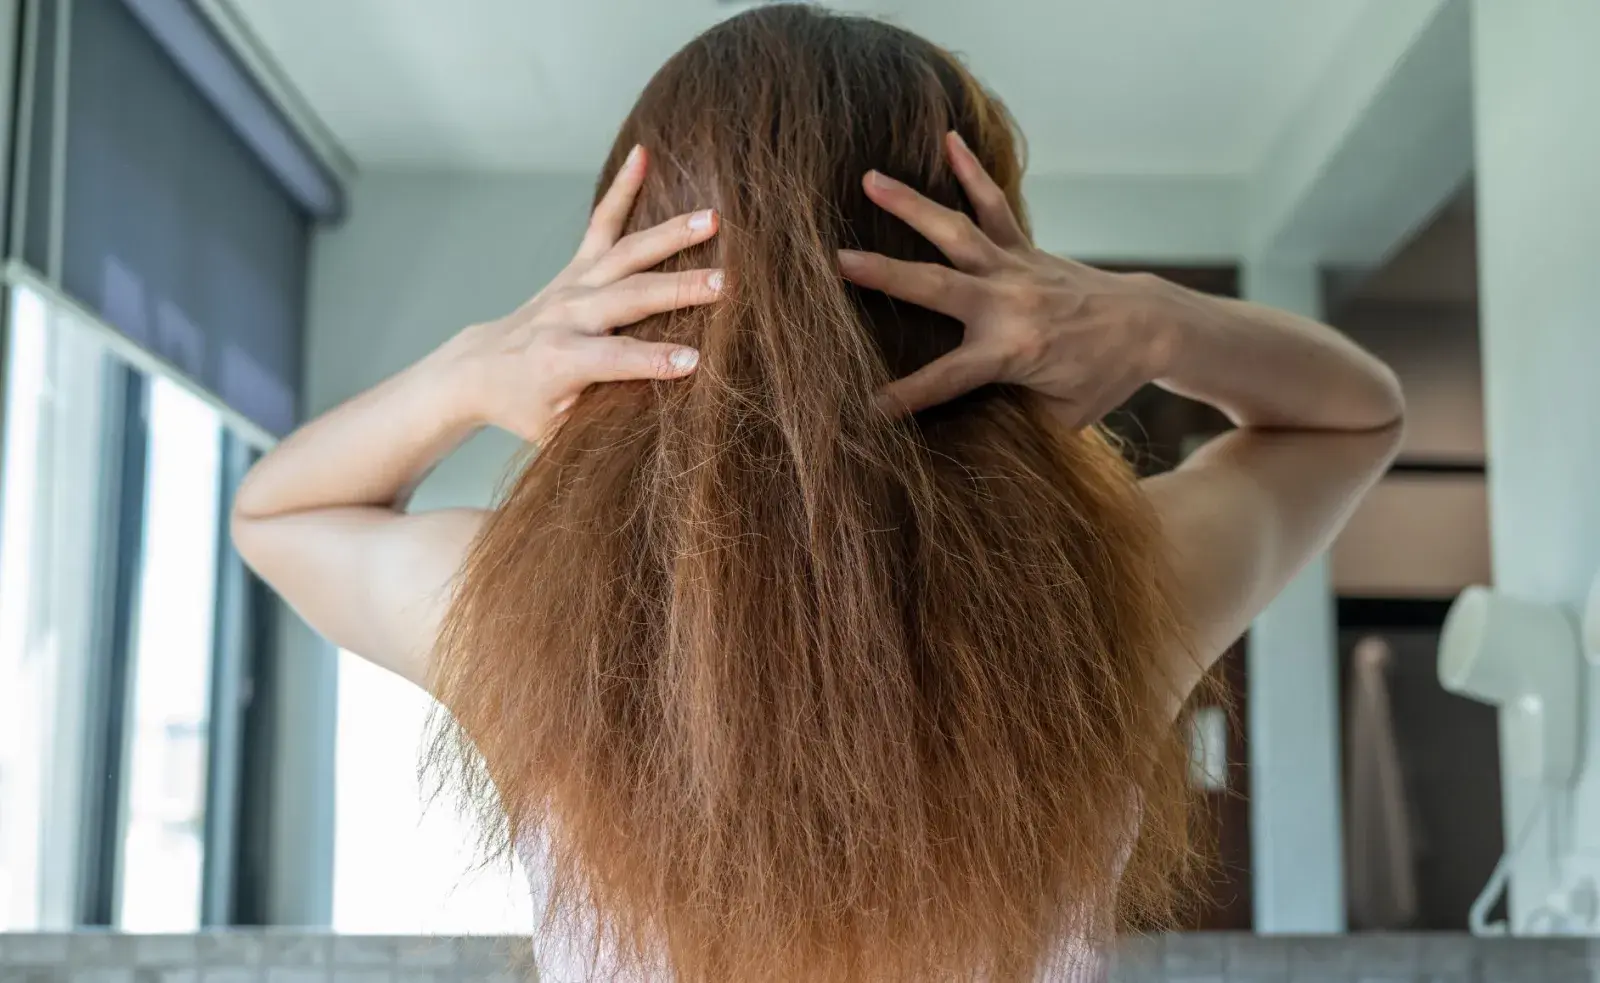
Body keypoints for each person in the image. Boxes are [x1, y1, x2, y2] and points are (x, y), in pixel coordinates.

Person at [232, 6, 1402, 982]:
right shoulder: (1114, 594)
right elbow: (1353, 416)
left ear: (639, 270)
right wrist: (1153, 317)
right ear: (982, 260)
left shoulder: (525, 613)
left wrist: (474, 366)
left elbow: (276, 514)